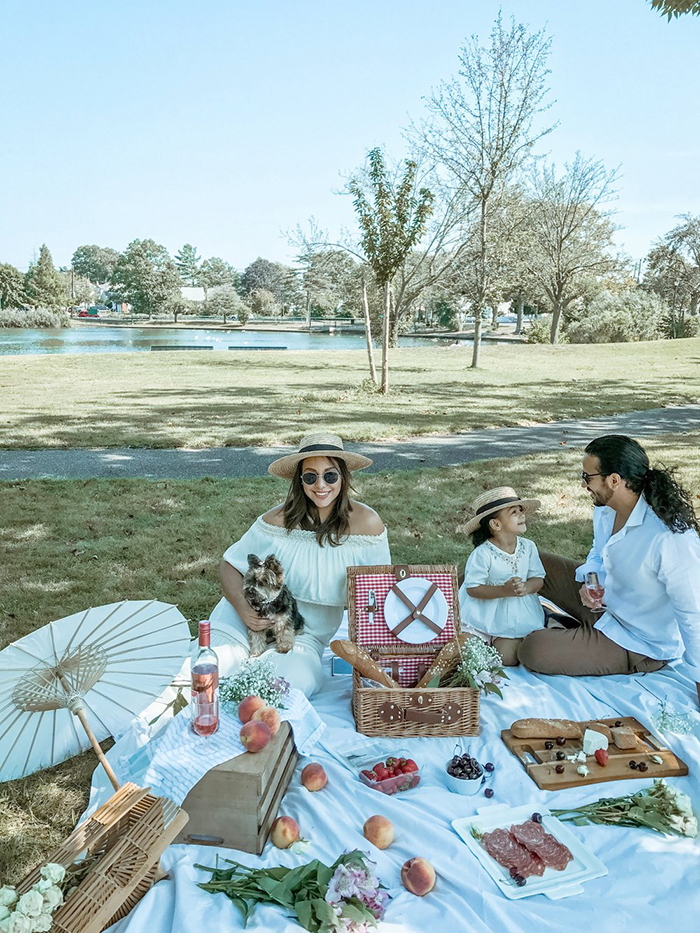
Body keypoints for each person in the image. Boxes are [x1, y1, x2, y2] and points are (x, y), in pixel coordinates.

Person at [518, 435, 700, 706]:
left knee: (532, 649)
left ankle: (561, 628)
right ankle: (451, 606)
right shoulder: (607, 509)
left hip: (635, 643)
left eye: (587, 476)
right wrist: (589, 581)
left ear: (614, 480)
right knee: (529, 560)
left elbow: (693, 613)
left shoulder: (669, 539)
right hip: (603, 606)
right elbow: (598, 553)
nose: (584, 485)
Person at [209, 432, 391, 697]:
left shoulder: (367, 525)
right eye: (310, 476)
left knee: (284, 687)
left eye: (330, 475)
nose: (321, 485)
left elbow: (379, 595)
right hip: (243, 619)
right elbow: (230, 565)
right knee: (209, 670)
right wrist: (241, 606)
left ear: (343, 477)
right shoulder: (276, 520)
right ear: (300, 480)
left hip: (303, 635)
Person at [459, 486, 546, 666]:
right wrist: (504, 590)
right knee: (466, 651)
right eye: (514, 512)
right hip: (481, 614)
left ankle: (501, 643)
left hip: (516, 615)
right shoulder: (483, 554)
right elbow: (473, 589)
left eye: (521, 511)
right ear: (496, 524)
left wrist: (526, 587)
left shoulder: (528, 547)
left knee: (506, 657)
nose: (522, 515)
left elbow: (538, 579)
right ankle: (481, 643)